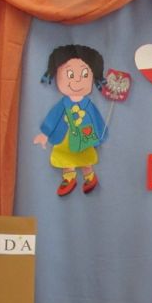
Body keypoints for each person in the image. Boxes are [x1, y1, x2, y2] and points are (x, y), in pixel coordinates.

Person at [34, 44, 108, 196]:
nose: (77, 80)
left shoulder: (88, 104)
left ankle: (90, 177)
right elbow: (53, 118)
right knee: (65, 158)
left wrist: (101, 135)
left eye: (85, 74)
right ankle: (69, 178)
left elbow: (97, 120)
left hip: (84, 137)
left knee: (85, 158)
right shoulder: (62, 104)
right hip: (65, 138)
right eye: (70, 74)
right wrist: (45, 134)